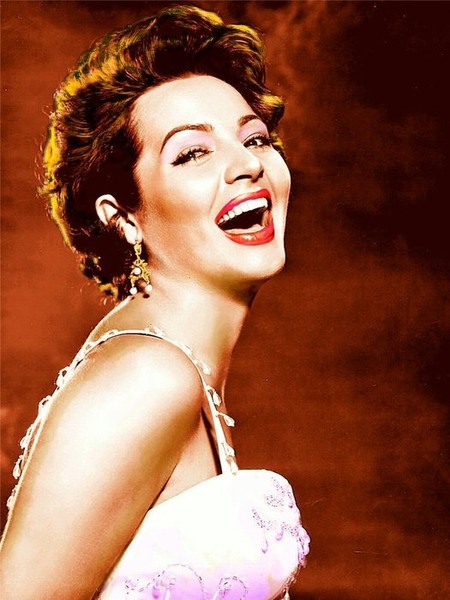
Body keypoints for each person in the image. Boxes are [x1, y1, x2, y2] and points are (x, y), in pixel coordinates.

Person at [0, 5, 310, 599]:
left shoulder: (176, 369)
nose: (248, 164)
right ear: (123, 217)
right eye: (193, 153)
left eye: (255, 138)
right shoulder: (148, 376)